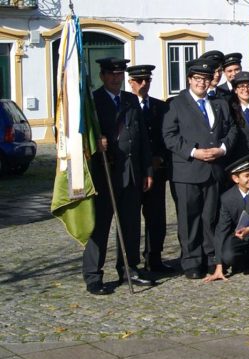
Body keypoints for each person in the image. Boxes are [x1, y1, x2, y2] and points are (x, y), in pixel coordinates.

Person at [83, 57, 155, 295]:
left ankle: (128, 267)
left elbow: (142, 137)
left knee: (131, 224)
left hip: (131, 171)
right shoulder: (92, 102)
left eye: (119, 74)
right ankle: (94, 275)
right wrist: (95, 142)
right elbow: (80, 137)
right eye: (111, 74)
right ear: (102, 76)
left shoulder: (131, 99)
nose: (116, 78)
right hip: (105, 173)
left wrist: (147, 170)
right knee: (100, 226)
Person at [163, 58, 238, 280]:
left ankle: (210, 257)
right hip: (188, 170)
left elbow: (232, 130)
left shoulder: (219, 104)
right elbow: (169, 136)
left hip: (214, 168)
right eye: (197, 79)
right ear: (189, 80)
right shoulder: (176, 104)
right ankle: (191, 261)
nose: (202, 83)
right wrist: (193, 152)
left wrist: (223, 149)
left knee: (210, 217)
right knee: (189, 218)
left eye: (205, 79)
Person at [127, 64, 173, 274]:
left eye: (147, 80)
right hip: (133, 173)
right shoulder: (126, 105)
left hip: (156, 171)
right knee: (132, 220)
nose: (144, 84)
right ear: (131, 83)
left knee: (156, 219)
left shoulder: (160, 107)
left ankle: (154, 258)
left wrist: (160, 157)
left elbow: (167, 136)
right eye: (139, 80)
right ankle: (131, 263)